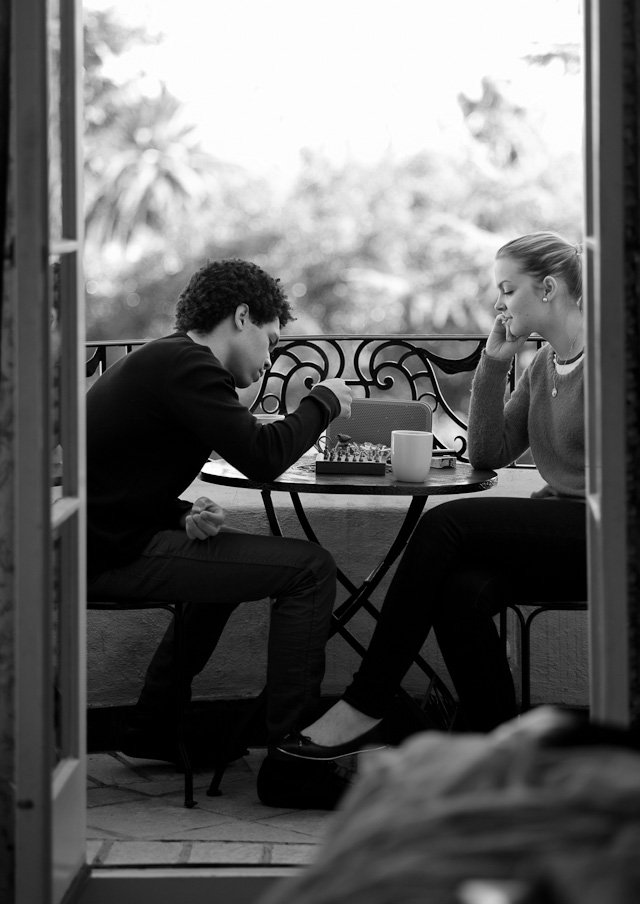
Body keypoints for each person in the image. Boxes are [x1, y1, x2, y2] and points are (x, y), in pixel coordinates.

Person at [276, 231, 587, 761]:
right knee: (460, 592)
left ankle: (366, 701)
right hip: (560, 535)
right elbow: (488, 453)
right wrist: (493, 362)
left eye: (508, 289)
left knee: (447, 525)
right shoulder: (541, 366)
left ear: (550, 288)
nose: (498, 302)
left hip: (607, 535)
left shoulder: (612, 358)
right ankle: (500, 755)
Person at [86, 258, 353, 809]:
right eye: (271, 340)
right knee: (311, 568)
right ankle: (293, 757)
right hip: (103, 554)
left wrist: (181, 514)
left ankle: (154, 725)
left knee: (228, 567)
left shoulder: (167, 359)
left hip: (100, 541)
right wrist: (324, 400)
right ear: (241, 317)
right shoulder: (187, 364)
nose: (270, 359)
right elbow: (262, 456)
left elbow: (120, 478)